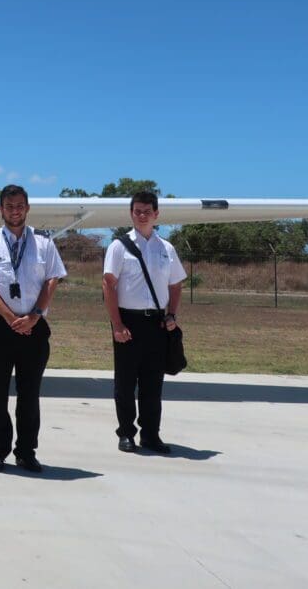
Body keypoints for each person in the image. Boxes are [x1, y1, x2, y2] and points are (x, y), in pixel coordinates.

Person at [0, 185, 66, 473]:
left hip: (34, 327)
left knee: (29, 392)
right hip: (0, 326)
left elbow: (52, 280)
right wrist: (9, 317)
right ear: (1, 209)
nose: (15, 210)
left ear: (27, 208)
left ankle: (26, 452)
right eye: (9, 206)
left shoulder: (44, 243)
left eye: (20, 205)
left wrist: (34, 315)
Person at [102, 190, 187, 454]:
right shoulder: (119, 247)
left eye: (147, 211)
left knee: (153, 383)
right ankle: (126, 433)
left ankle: (151, 434)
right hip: (128, 320)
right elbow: (108, 285)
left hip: (157, 324)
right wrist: (117, 325)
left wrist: (171, 315)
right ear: (131, 213)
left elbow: (176, 285)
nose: (141, 216)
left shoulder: (166, 248)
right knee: (125, 382)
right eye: (137, 211)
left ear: (156, 214)